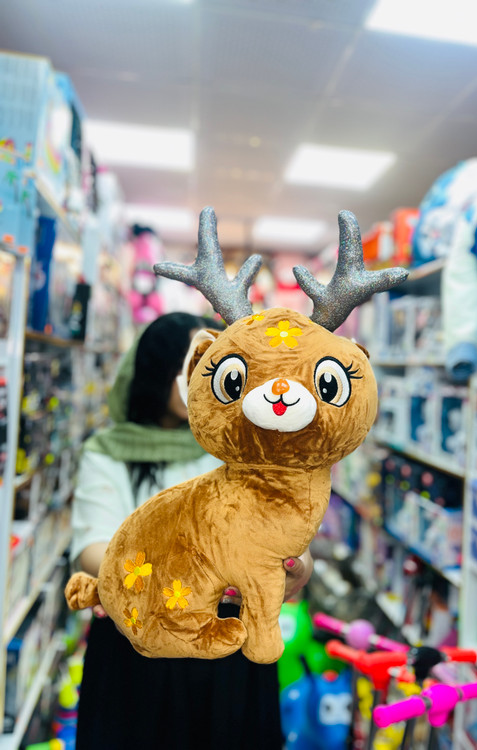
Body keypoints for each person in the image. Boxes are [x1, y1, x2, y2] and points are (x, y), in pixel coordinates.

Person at [70, 312, 313, 750]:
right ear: (154, 372)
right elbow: (93, 545)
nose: (198, 379)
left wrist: (297, 564)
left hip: (229, 645)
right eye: (186, 366)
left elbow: (280, 529)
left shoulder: (242, 446)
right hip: (139, 643)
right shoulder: (107, 452)